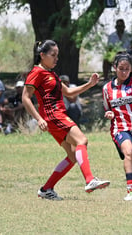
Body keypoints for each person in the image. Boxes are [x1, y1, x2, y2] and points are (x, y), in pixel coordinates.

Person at [22, 40, 110, 200]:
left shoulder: (51, 73)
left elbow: (69, 92)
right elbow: (25, 98)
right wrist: (39, 118)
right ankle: (90, 180)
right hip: (53, 115)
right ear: (42, 55)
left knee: (71, 155)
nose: (56, 58)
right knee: (82, 140)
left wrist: (89, 84)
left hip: (55, 116)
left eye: (58, 55)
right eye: (53, 55)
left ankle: (46, 189)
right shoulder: (37, 72)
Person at [102, 52, 132, 201]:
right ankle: (130, 190)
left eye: (127, 69)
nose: (124, 72)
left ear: (131, 69)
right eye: (121, 68)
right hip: (120, 128)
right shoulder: (106, 89)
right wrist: (109, 114)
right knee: (128, 152)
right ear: (115, 67)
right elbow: (107, 109)